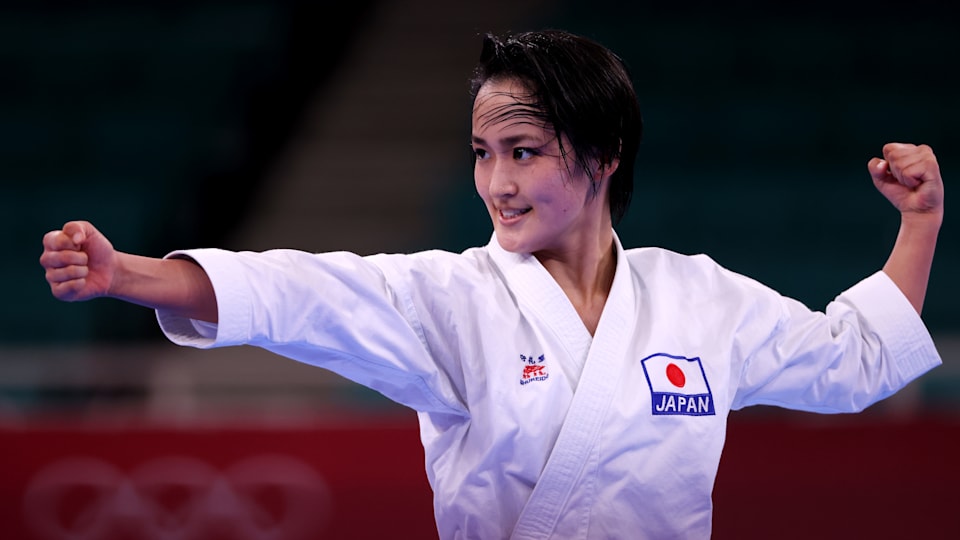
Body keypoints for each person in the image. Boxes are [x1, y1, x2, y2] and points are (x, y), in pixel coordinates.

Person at [40, 29, 943, 539]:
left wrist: (920, 222)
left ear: (601, 156)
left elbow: (851, 360)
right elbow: (297, 293)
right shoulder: (451, 298)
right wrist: (131, 276)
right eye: (481, 153)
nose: (497, 182)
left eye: (524, 152)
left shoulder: (697, 299)